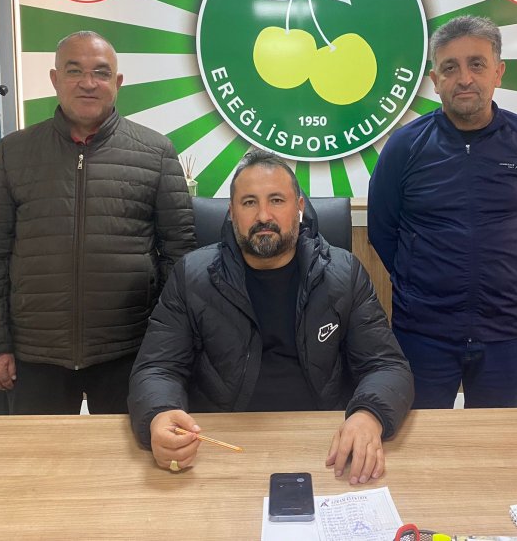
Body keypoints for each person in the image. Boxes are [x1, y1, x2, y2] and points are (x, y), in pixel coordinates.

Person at [128, 150, 413, 484]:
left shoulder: (344, 274)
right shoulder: (192, 276)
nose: (263, 215)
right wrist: (160, 414)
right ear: (232, 213)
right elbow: (157, 367)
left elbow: (386, 365)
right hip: (220, 445)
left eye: (276, 200)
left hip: (326, 442)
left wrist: (368, 414)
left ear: (299, 207)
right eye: (249, 203)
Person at [0, 31, 197, 414]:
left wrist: (167, 343)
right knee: (38, 454)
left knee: (131, 452)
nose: (88, 83)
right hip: (35, 355)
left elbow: (180, 256)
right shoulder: (13, 153)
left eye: (101, 73)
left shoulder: (156, 153)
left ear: (117, 82)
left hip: (130, 352)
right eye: (74, 71)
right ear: (55, 79)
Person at [368, 15, 517, 409]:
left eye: (477, 64)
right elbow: (382, 230)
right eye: (450, 68)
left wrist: (505, 280)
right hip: (423, 333)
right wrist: (419, 285)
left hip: (506, 332)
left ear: (498, 72)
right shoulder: (405, 146)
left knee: (495, 441)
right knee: (418, 438)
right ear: (435, 80)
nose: (465, 79)